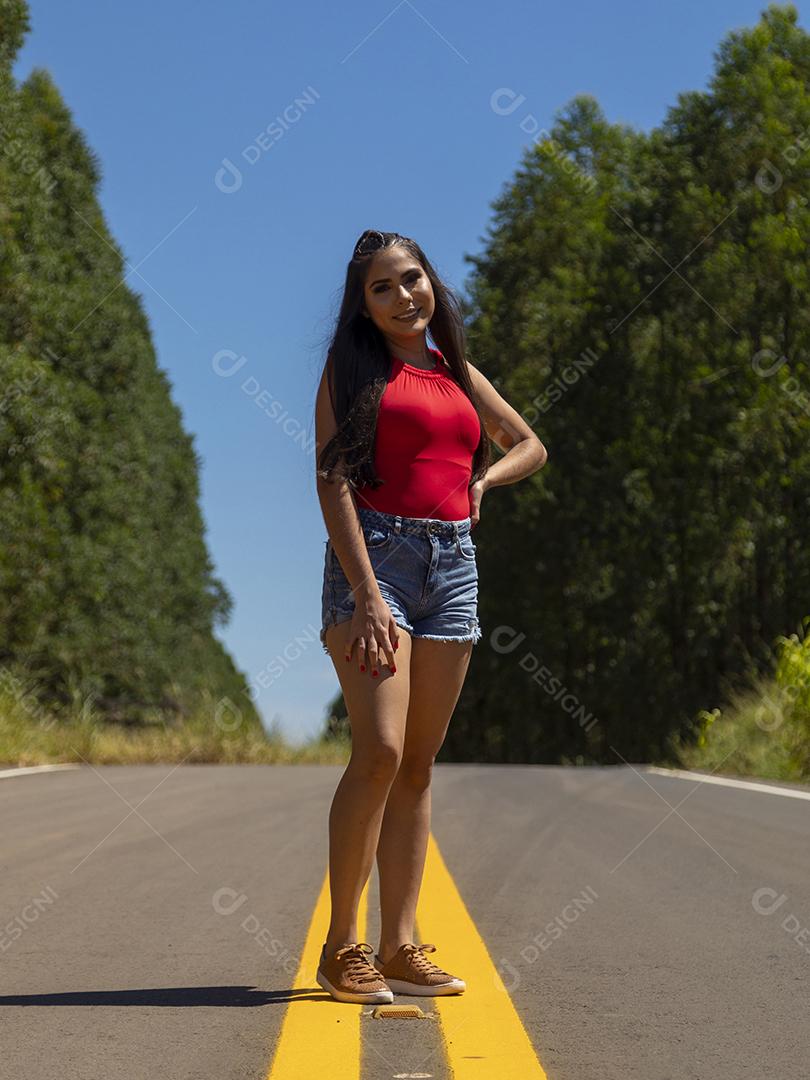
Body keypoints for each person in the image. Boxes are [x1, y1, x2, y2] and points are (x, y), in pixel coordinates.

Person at [314, 229, 547, 1004]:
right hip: (373, 562)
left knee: (417, 762)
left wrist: (484, 483)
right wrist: (367, 593)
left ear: (431, 285)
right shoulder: (353, 368)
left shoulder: (457, 372)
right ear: (366, 305)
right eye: (382, 288)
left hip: (453, 567)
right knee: (378, 749)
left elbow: (531, 445)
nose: (402, 296)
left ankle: (401, 943)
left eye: (410, 279)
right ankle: (341, 946)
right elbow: (333, 483)